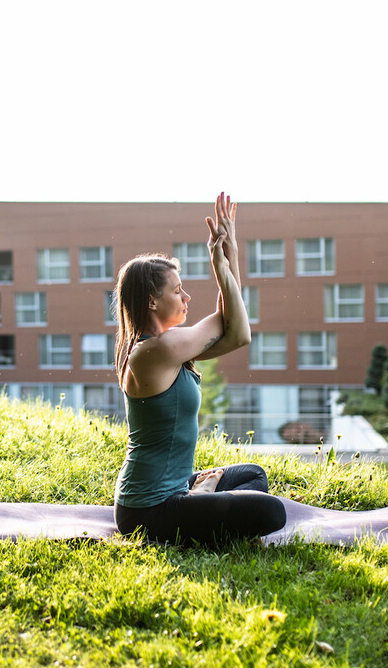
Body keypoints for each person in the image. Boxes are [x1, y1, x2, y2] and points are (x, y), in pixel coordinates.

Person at [112, 193, 287, 545]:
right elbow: (238, 333)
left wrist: (230, 252)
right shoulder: (160, 349)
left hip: (171, 490)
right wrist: (220, 268)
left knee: (253, 475)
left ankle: (197, 496)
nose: (187, 297)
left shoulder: (167, 346)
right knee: (272, 512)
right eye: (178, 291)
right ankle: (196, 500)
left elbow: (233, 325)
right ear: (152, 301)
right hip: (149, 509)